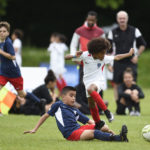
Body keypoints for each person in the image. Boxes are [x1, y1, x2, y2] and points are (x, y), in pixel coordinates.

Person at [65, 37, 134, 128]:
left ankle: (107, 112)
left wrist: (129, 54)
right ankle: (98, 123)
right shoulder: (85, 55)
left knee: (91, 89)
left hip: (98, 81)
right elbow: (66, 57)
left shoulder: (104, 58)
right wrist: (75, 55)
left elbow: (117, 57)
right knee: (91, 104)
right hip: (87, 82)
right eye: (102, 53)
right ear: (94, 52)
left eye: (105, 52)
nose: (104, 55)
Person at [24, 86, 128, 142]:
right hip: (71, 134)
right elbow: (45, 116)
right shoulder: (58, 105)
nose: (74, 98)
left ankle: (114, 135)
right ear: (63, 96)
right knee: (94, 133)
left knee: (103, 126)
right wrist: (35, 129)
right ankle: (119, 138)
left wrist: (102, 127)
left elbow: (88, 121)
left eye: (74, 96)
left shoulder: (75, 110)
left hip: (79, 129)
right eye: (71, 95)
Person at [0, 21, 43, 113]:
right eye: (0, 31)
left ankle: (39, 102)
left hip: (13, 73)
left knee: (22, 94)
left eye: (4, 31)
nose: (2, 33)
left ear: (8, 33)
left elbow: (13, 56)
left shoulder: (8, 42)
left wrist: (1, 52)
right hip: (3, 73)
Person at [107, 10, 146, 101]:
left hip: (131, 61)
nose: (122, 20)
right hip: (117, 62)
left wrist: (137, 55)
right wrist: (109, 64)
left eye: (124, 18)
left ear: (127, 19)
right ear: (117, 19)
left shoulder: (135, 30)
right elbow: (108, 49)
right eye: (120, 18)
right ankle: (119, 106)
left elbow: (143, 44)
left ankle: (134, 107)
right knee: (116, 84)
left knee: (132, 83)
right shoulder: (112, 32)